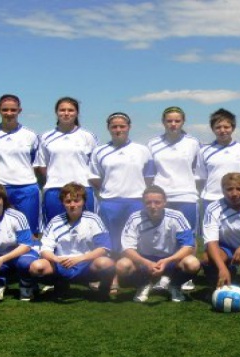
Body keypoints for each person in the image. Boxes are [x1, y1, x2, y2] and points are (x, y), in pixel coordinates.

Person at [29, 183, 116, 298]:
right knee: (36, 266)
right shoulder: (55, 221)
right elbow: (45, 249)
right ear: (63, 203)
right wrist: (56, 259)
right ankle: (59, 283)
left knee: (105, 263)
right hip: (62, 264)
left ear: (83, 202)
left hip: (86, 265)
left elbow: (104, 248)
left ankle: (104, 287)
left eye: (76, 201)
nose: (72, 205)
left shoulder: (93, 219)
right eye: (68, 201)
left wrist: (79, 259)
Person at [147, 106, 200, 291]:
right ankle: (164, 275)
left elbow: (197, 170)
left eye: (177, 121)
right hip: (163, 196)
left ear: (183, 122)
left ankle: (185, 276)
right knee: (166, 237)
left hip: (186, 195)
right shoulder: (153, 144)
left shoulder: (193, 143)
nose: (173, 124)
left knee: (188, 237)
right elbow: (150, 172)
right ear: (163, 122)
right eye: (169, 121)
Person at [116, 185, 200, 303]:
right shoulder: (135, 218)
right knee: (122, 265)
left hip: (170, 260)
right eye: (148, 202)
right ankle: (143, 285)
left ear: (165, 202)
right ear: (143, 203)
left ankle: (174, 285)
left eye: (157, 202)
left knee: (193, 263)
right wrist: (147, 263)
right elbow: (127, 249)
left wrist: (167, 261)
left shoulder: (176, 217)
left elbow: (188, 246)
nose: (153, 206)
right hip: (144, 261)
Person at [90, 112, 154, 256]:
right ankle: (112, 270)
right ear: (109, 128)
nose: (118, 130)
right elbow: (94, 177)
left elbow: (149, 177)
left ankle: (136, 271)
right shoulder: (99, 151)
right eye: (114, 127)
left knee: (136, 239)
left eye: (122, 126)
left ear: (129, 127)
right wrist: (109, 190)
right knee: (110, 241)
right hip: (110, 202)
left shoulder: (142, 150)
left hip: (136, 201)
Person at [0, 94, 41, 236]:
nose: (9, 113)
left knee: (29, 230)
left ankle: (30, 256)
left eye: (13, 110)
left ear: (19, 110)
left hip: (26, 188)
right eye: (5, 109)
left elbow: (35, 163)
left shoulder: (30, 134)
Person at [35, 97, 98, 225]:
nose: (66, 113)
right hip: (54, 189)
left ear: (77, 113)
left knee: (86, 229)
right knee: (54, 229)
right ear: (56, 113)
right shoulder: (45, 137)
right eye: (62, 110)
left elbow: (95, 165)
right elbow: (42, 165)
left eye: (70, 110)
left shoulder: (88, 136)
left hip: (83, 189)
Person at [196, 108, 240, 213]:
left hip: (239, 198)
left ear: (233, 128)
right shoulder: (203, 151)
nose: (222, 130)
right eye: (218, 127)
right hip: (211, 198)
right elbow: (201, 178)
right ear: (212, 129)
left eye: (226, 127)